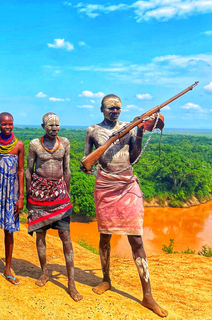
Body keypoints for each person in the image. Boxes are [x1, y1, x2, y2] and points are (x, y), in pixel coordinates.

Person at [82, 94, 168, 317]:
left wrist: (138, 132)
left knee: (137, 239)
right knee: (104, 236)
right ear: (102, 109)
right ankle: (106, 280)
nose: (115, 111)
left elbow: (135, 156)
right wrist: (89, 166)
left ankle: (147, 295)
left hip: (127, 184)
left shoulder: (129, 128)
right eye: (110, 108)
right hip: (105, 186)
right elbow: (86, 161)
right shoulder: (92, 130)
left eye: (118, 108)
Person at [26, 112, 83, 302]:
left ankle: (71, 283)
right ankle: (44, 272)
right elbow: (29, 170)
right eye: (50, 125)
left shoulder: (65, 143)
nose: (54, 128)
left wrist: (66, 193)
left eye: (57, 125)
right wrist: (28, 195)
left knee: (65, 236)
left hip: (59, 193)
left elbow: (67, 169)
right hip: (39, 194)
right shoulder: (34, 144)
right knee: (40, 235)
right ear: (43, 126)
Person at [0, 112, 24, 285]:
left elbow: (21, 171)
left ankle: (7, 268)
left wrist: (21, 196)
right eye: (4, 124)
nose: (7, 126)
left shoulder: (19, 145)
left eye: (10, 124)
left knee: (9, 230)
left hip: (11, 193)